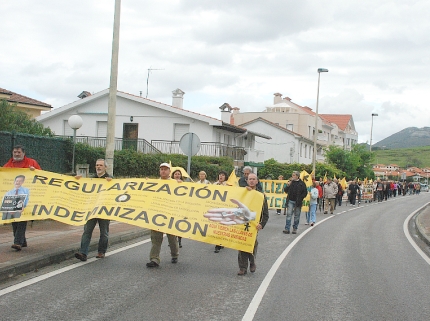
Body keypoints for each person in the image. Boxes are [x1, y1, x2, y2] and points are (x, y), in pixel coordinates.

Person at [3, 145, 41, 251]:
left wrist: (35, 171)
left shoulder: (31, 163)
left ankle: (17, 242)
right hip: (14, 196)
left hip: (28, 196)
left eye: (18, 152)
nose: (16, 154)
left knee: (22, 218)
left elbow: (41, 176)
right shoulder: (8, 165)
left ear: (23, 153)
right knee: (14, 218)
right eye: (15, 152)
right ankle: (22, 241)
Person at [75, 159, 112, 261]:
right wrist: (77, 181)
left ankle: (101, 251)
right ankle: (83, 253)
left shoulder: (111, 179)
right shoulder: (91, 179)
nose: (98, 167)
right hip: (92, 209)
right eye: (97, 165)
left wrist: (111, 183)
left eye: (100, 165)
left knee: (104, 232)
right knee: (87, 231)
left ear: (105, 167)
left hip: (104, 210)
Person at [146, 163, 179, 267]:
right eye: (161, 169)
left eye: (165, 169)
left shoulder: (175, 183)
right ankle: (154, 258)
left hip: (170, 214)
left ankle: (174, 254)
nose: (163, 171)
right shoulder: (154, 183)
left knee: (172, 237)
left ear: (169, 171)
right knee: (155, 238)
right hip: (157, 214)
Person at [237, 173, 269, 275]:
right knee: (241, 244)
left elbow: (265, 213)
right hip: (243, 221)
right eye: (249, 179)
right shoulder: (242, 193)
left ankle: (252, 261)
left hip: (254, 225)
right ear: (247, 181)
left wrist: (261, 224)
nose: (251, 181)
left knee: (252, 244)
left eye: (253, 179)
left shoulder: (261, 195)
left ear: (257, 181)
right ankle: (242, 267)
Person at [213, 170, 231, 252]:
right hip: (216, 207)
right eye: (220, 175)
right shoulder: (214, 184)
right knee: (216, 224)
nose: (221, 176)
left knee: (222, 225)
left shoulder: (228, 185)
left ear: (225, 177)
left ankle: (220, 243)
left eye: (223, 175)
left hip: (224, 209)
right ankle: (218, 242)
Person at [172, 169, 184, 248]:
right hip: (171, 207)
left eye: (178, 174)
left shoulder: (184, 184)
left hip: (180, 207)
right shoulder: (169, 183)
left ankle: (179, 240)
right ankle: (173, 241)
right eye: (175, 174)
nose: (177, 175)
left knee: (179, 225)